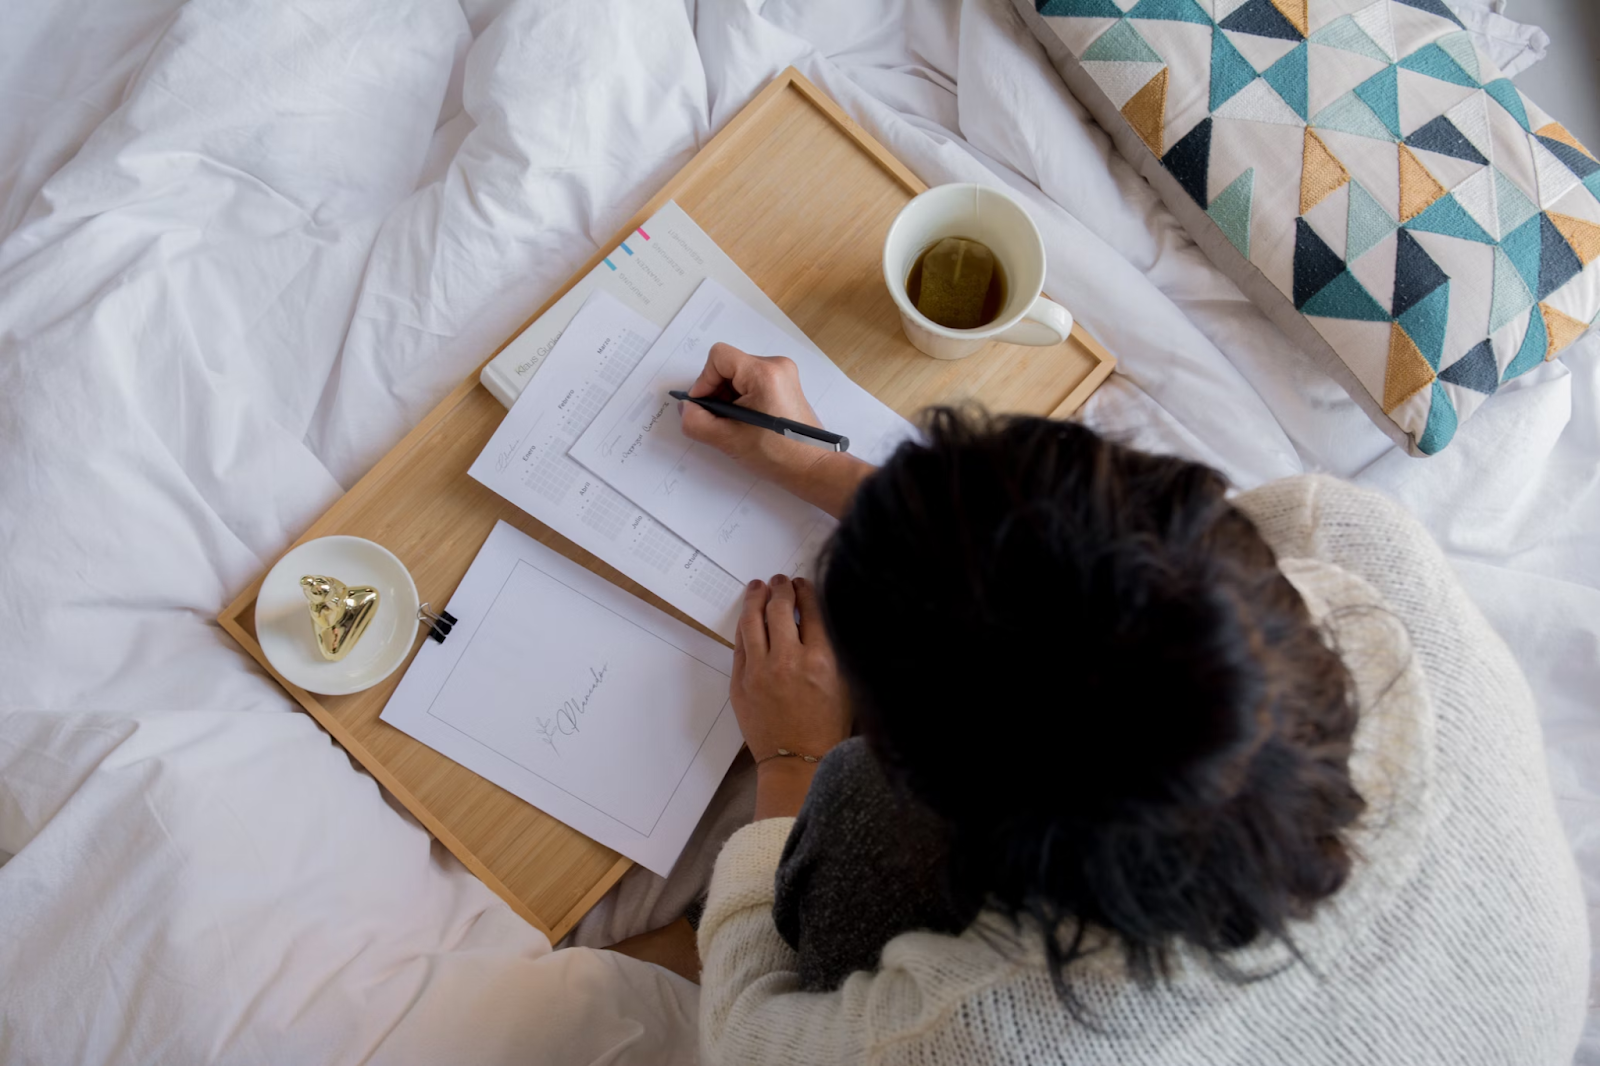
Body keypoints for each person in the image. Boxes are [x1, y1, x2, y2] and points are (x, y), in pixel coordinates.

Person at [613, 343, 1589, 1064]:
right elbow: (1094, 576)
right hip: (1511, 1004)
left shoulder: (995, 1039)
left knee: (844, 821)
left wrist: (787, 762)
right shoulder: (1359, 546)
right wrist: (821, 467)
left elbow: (746, 1039)